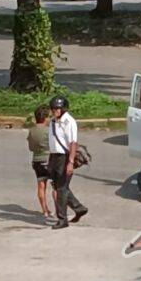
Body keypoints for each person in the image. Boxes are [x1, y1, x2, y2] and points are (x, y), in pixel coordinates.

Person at [47, 96, 88, 230]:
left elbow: (72, 143)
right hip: (54, 156)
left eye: (57, 109)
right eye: (53, 109)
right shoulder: (53, 121)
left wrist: (70, 162)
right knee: (59, 186)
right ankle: (79, 208)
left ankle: (62, 219)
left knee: (61, 189)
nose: (54, 111)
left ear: (63, 109)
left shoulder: (69, 122)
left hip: (64, 157)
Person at [28, 104, 56, 221]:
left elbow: (31, 148)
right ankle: (59, 211)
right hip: (49, 159)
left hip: (37, 160)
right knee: (56, 186)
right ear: (45, 118)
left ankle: (45, 210)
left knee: (41, 185)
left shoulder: (31, 131)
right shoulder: (48, 130)